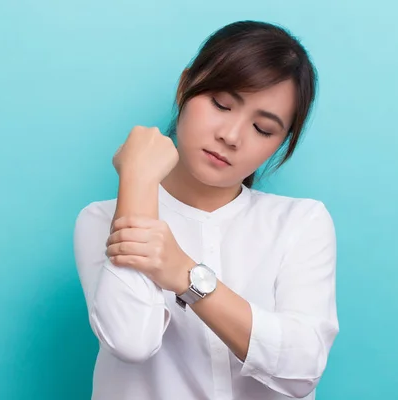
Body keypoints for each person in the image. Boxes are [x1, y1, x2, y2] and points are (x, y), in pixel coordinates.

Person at [73, 20, 339, 400]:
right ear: (185, 86)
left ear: (281, 142)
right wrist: (137, 180)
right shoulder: (100, 219)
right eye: (221, 104)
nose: (230, 136)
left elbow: (303, 367)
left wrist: (185, 274)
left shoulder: (300, 223)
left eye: (263, 129)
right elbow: (130, 340)